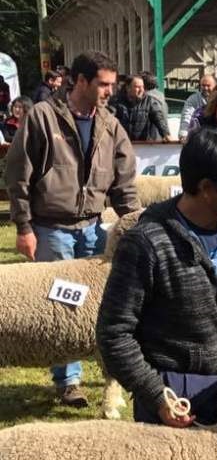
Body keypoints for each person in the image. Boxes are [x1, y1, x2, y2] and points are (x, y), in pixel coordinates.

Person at [97, 129, 217, 427]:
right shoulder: (146, 243)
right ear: (206, 187)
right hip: (173, 402)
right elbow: (114, 333)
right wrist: (156, 397)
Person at [6, 51, 139, 408]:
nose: (110, 91)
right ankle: (69, 381)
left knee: (104, 306)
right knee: (62, 308)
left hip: (95, 230)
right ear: (80, 81)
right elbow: (18, 175)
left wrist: (137, 227)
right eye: (104, 84)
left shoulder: (111, 125)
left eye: (112, 84)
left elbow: (124, 186)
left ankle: (111, 377)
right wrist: (24, 226)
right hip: (52, 229)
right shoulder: (42, 118)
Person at [114, 74, 171, 142]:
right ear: (128, 88)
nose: (141, 90)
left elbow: (159, 118)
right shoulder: (116, 101)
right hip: (121, 144)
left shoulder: (149, 102)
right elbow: (109, 118)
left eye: (142, 87)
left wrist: (165, 134)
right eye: (137, 87)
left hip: (144, 146)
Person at [179, 74, 217, 140]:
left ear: (215, 86)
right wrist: (183, 133)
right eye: (203, 85)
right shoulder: (193, 99)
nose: (205, 88)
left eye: (208, 86)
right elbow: (187, 115)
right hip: (200, 136)